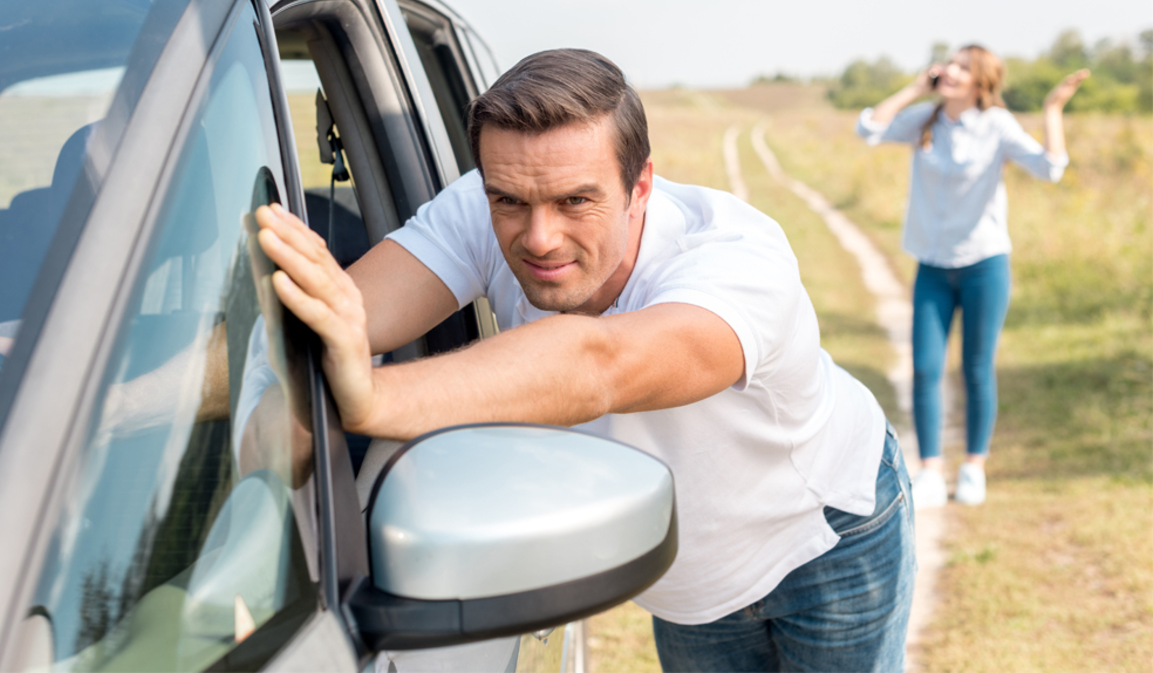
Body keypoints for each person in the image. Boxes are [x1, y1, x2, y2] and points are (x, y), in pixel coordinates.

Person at [255, 48, 914, 672]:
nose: (538, 237)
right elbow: (327, 323)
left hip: (822, 536)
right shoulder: (484, 206)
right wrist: (161, 395)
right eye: (508, 200)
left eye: (576, 200)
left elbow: (601, 363)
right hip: (684, 573)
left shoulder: (736, 260)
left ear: (641, 187)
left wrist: (373, 398)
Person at [856, 45, 1088, 509]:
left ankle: (973, 468)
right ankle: (929, 470)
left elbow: (1050, 169)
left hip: (984, 265)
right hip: (933, 267)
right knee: (924, 367)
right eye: (950, 64)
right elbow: (869, 129)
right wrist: (916, 88)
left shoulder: (996, 125)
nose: (952, 71)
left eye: (964, 67)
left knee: (976, 368)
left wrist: (1052, 109)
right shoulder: (925, 119)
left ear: (981, 81)